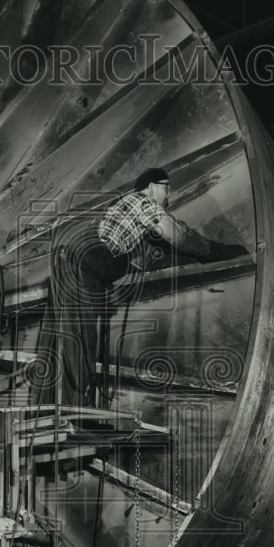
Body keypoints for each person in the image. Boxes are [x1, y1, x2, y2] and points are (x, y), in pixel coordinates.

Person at [39, 167, 247, 409]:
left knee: (59, 338)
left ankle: (47, 408)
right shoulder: (143, 201)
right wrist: (221, 252)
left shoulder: (125, 214)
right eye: (166, 187)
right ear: (151, 187)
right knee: (82, 340)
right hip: (82, 266)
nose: (169, 194)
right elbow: (179, 236)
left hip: (68, 262)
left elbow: (146, 259)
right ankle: (73, 409)